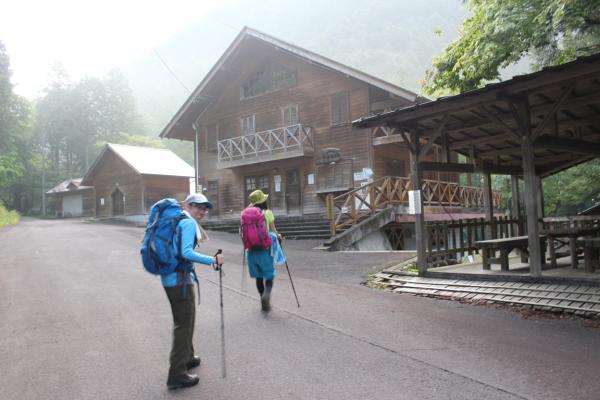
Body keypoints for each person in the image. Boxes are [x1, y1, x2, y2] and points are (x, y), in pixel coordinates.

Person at [163, 193, 224, 390]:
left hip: (172, 278)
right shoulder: (188, 223)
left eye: (205, 208)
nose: (202, 211)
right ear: (188, 206)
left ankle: (188, 357)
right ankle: (177, 374)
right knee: (184, 325)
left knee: (185, 321)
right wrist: (212, 260)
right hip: (179, 280)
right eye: (198, 206)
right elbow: (186, 252)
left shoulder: (179, 220)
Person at [246, 189, 281, 312]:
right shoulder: (268, 213)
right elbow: (273, 231)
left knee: (259, 277)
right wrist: (279, 236)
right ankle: (267, 294)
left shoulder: (246, 214)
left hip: (251, 251)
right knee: (269, 275)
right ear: (263, 201)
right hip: (264, 250)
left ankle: (262, 298)